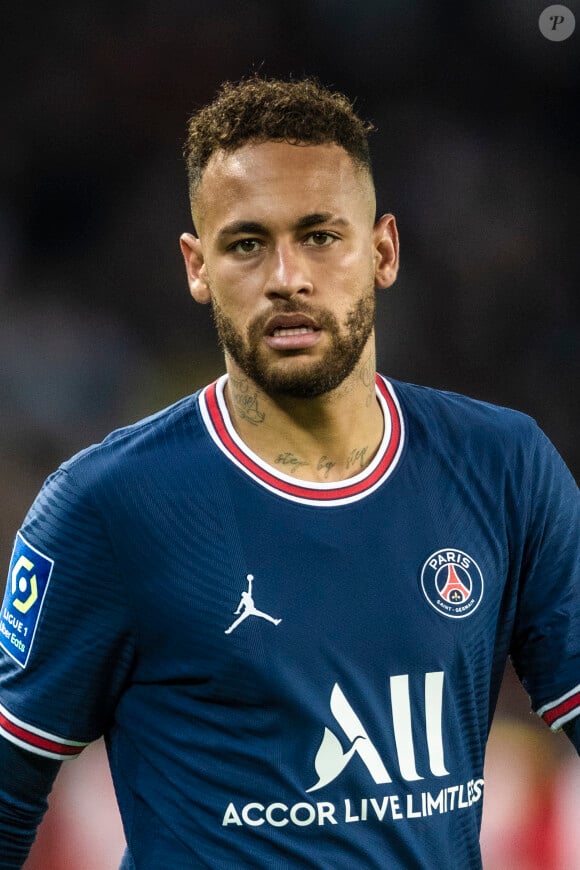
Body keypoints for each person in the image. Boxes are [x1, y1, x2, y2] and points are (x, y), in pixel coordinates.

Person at [0, 77, 578, 869]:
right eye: (246, 244)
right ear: (196, 266)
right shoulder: (106, 507)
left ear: (383, 251)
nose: (286, 277)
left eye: (319, 235)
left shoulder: (504, 467)